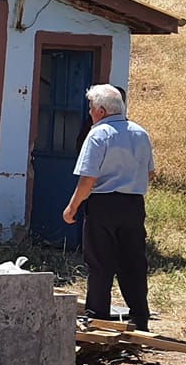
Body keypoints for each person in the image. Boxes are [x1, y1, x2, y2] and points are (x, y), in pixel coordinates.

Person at [62, 83, 154, 331]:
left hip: (103, 203)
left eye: (91, 108)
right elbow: (150, 173)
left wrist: (72, 207)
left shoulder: (99, 134)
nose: (90, 113)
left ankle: (97, 315)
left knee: (100, 262)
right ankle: (139, 318)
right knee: (133, 262)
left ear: (101, 110)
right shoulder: (140, 132)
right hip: (134, 204)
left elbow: (88, 179)